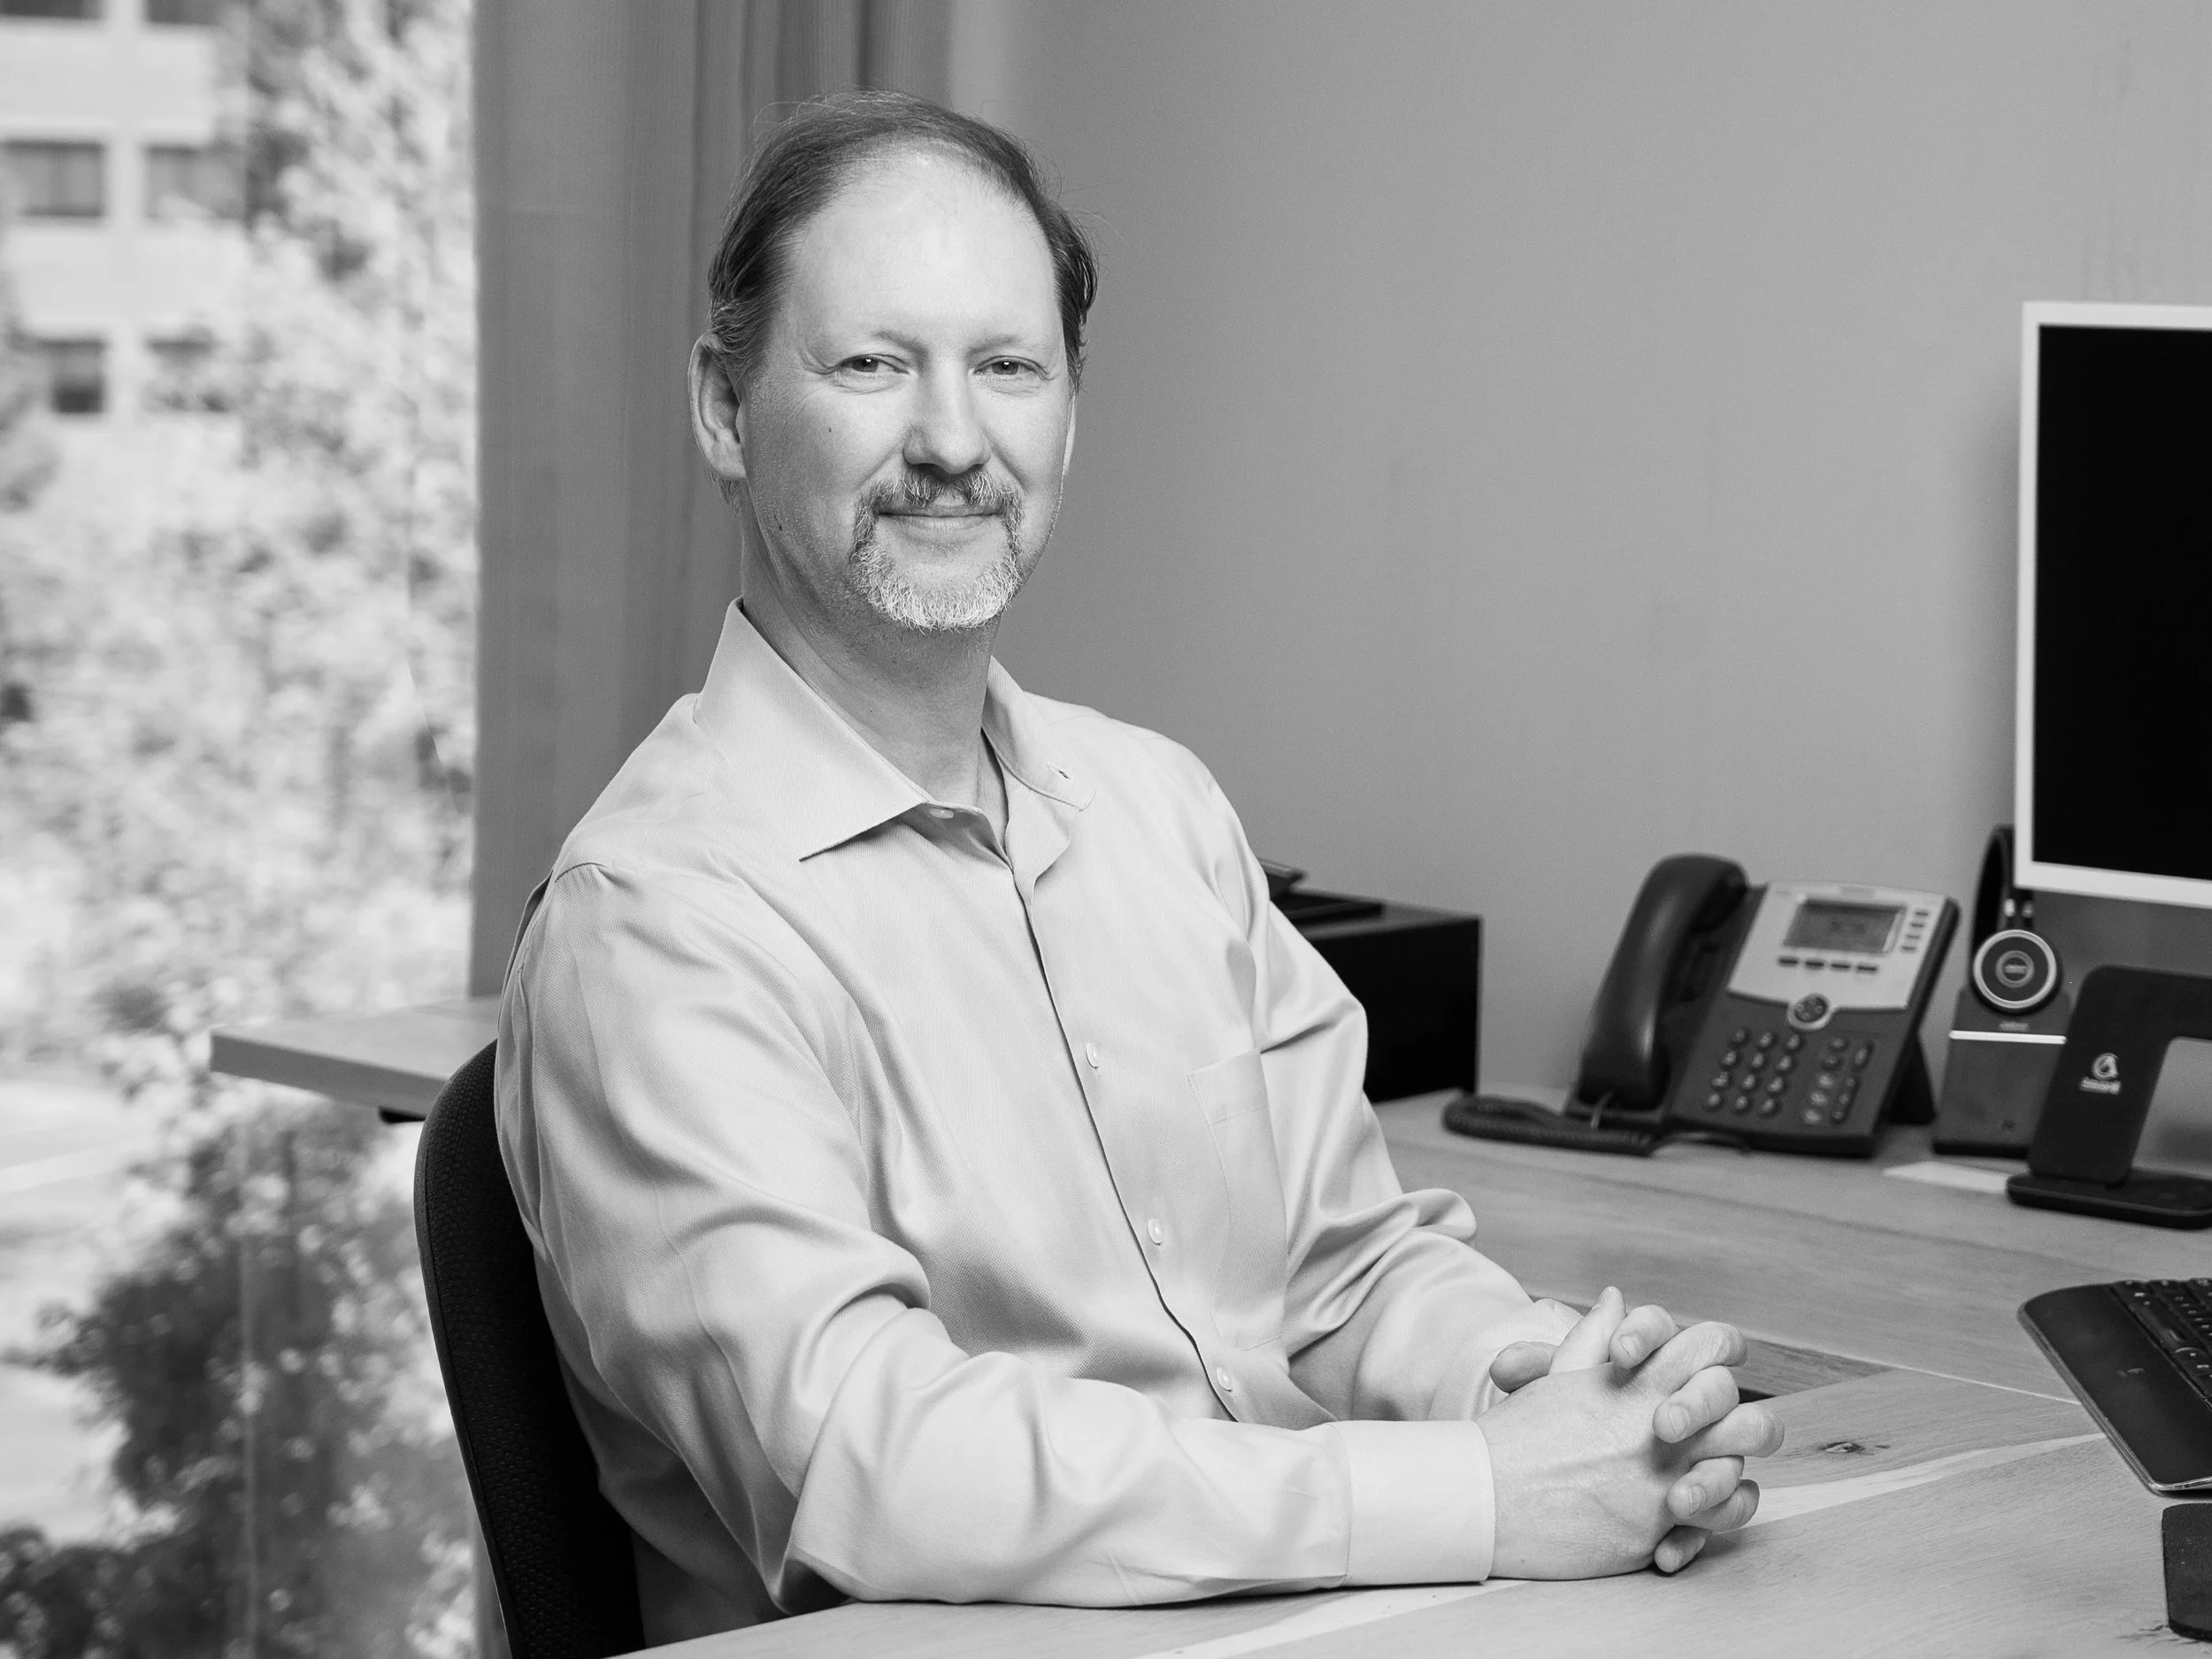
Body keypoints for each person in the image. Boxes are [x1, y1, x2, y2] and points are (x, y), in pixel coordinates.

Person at [496, 89, 1781, 1646]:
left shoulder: (1158, 806)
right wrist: (1480, 1496)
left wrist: (1549, 1393)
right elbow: (874, 1459)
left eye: (1010, 367)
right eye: (871, 364)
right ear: (723, 403)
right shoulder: (656, 918)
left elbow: (1346, 1270)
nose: (954, 441)